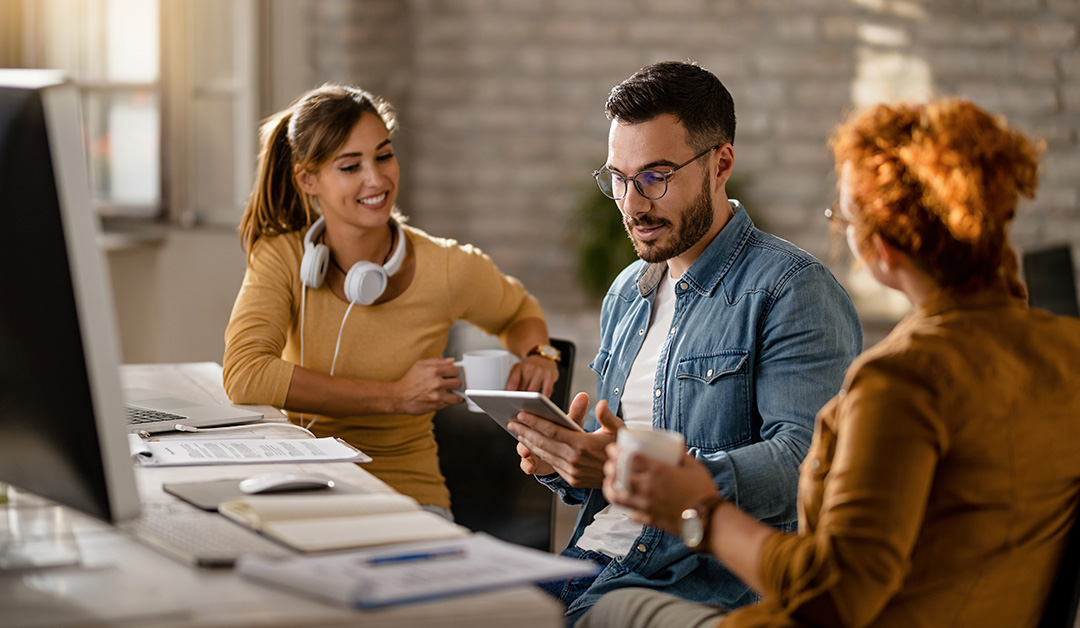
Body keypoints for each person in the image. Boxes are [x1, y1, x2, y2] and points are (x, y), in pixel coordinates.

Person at [582, 99, 1080, 628]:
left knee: (607, 611)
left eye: (844, 219)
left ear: (881, 248)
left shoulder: (901, 381)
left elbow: (835, 595)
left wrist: (701, 509)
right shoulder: (1066, 349)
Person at [506, 61, 863, 624]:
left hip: (696, 579)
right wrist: (568, 461)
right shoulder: (628, 290)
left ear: (721, 164)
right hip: (590, 560)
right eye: (619, 178)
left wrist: (649, 473)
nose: (632, 203)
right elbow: (609, 471)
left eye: (657, 175)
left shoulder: (791, 290)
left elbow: (809, 462)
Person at [223, 84, 560, 517]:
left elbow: (519, 311)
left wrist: (540, 354)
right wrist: (393, 396)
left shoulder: (449, 267)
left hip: (408, 494)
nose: (376, 179)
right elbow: (246, 374)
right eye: (350, 166)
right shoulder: (283, 257)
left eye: (383, 156)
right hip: (302, 484)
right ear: (308, 179)